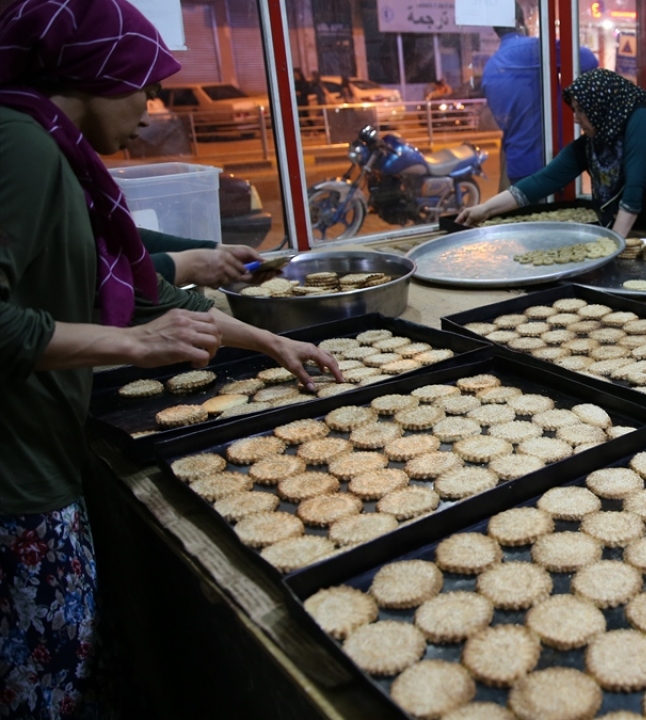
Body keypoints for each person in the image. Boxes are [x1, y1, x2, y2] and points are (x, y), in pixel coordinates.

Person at [0, 1, 342, 715]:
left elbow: (126, 281)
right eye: (142, 84)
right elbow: (114, 318)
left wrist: (268, 340)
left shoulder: (51, 145)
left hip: (45, 453)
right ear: (93, 73)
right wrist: (131, 344)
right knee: (46, 690)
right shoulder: (21, 146)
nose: (150, 108)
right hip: (16, 482)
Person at [458, 69, 646, 239]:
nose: (576, 118)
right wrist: (484, 210)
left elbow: (634, 189)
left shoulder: (641, 121)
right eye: (574, 109)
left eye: (581, 109)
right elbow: (542, 181)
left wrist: (612, 247)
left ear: (601, 105)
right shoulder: (593, 143)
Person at [482, 2, 599, 186]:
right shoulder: (532, 49)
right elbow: (587, 59)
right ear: (521, 22)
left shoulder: (490, 67)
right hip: (549, 165)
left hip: (516, 167)